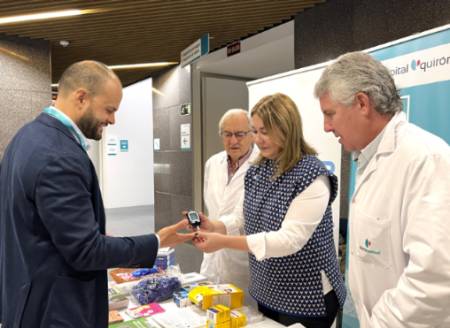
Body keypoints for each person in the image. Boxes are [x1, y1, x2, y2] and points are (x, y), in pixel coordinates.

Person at [0, 60, 191, 328]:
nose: (112, 119)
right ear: (81, 98)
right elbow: (86, 252)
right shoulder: (59, 155)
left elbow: (41, 228)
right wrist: (157, 241)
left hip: (27, 300)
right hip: (56, 312)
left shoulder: (27, 137)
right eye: (109, 109)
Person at [314, 51, 450, 327]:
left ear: (362, 103)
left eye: (330, 114)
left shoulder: (425, 159)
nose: (326, 127)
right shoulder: (370, 159)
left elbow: (436, 276)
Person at [193, 93, 346, 328]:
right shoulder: (258, 169)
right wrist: (216, 226)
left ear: (287, 128)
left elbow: (289, 240)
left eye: (265, 131)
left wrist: (223, 241)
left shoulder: (312, 174)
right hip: (267, 289)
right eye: (255, 131)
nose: (258, 139)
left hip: (308, 295)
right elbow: (243, 216)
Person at [200, 108, 258, 292]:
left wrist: (216, 228)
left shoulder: (262, 165)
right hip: (212, 257)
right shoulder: (212, 163)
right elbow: (212, 205)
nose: (233, 141)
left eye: (240, 134)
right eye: (227, 134)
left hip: (242, 259)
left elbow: (243, 218)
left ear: (252, 135)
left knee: (243, 314)